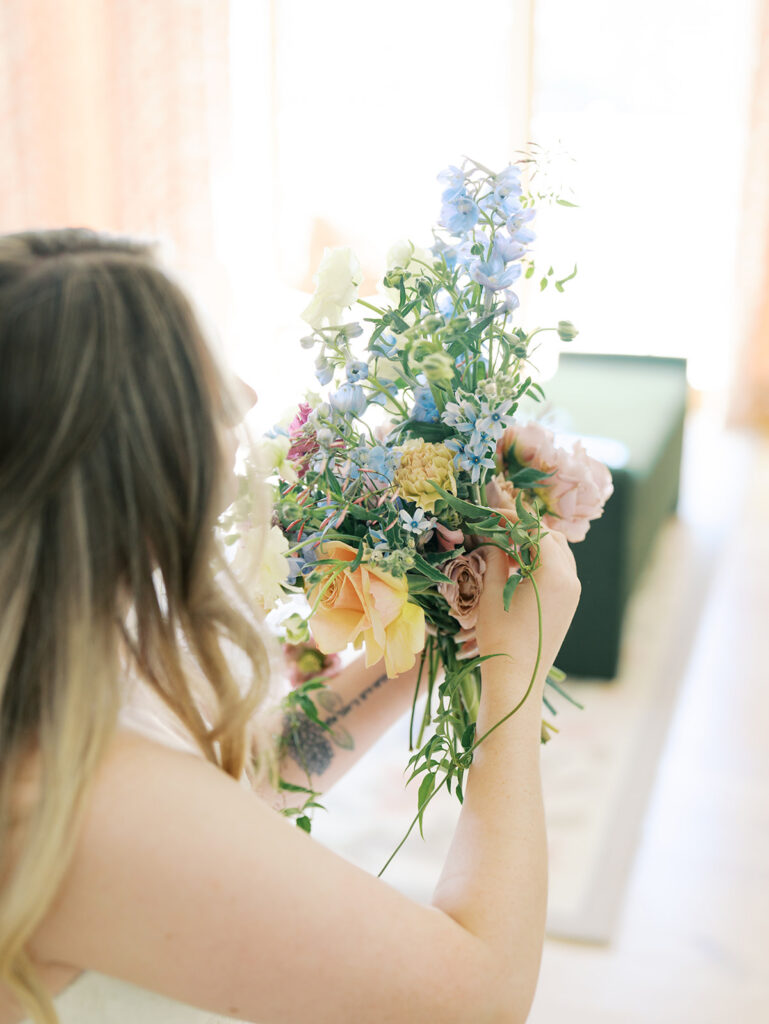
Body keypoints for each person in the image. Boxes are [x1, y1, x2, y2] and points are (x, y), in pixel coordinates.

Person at [0, 229, 581, 1024]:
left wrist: (439, 631)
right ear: (129, 464)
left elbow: (235, 789)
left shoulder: (48, 684)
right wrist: (515, 679)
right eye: (205, 386)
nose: (245, 396)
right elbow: (480, 998)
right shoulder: (73, 806)